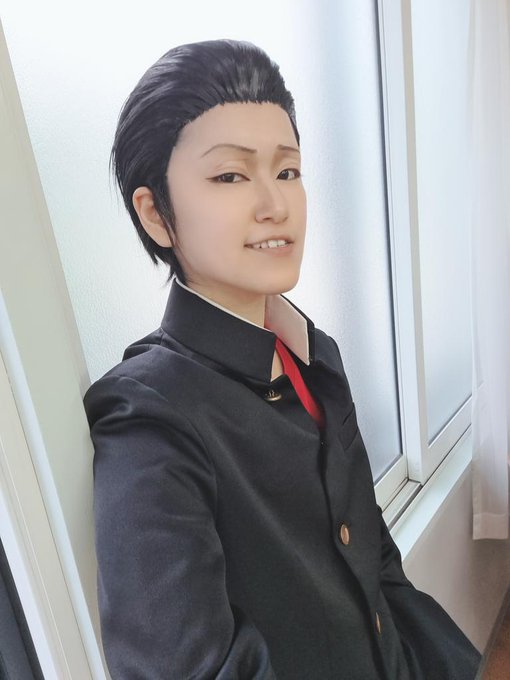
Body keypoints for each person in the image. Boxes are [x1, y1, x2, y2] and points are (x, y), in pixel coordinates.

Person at [83, 39, 481, 679]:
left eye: (288, 171)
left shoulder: (311, 353)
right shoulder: (148, 416)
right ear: (156, 214)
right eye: (231, 176)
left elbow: (376, 562)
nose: (275, 204)